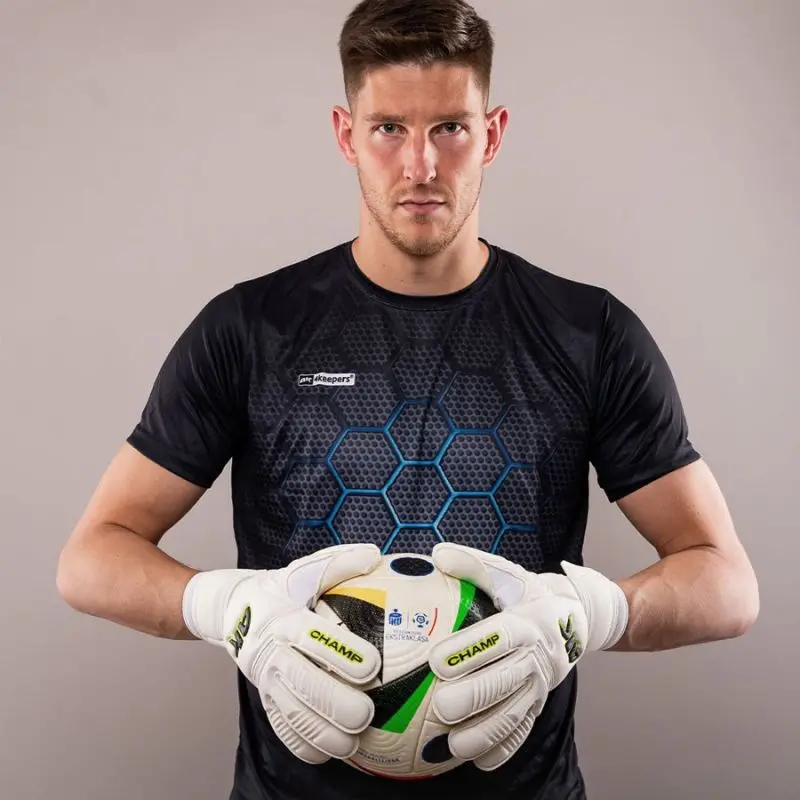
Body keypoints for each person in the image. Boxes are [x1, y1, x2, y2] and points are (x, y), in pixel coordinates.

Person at [56, 1, 760, 798]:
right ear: (345, 134)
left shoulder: (588, 334)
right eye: (389, 128)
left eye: (450, 128)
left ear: (492, 134)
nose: (421, 166)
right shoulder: (250, 329)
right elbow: (91, 557)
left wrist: (585, 615)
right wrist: (227, 608)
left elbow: (727, 584)